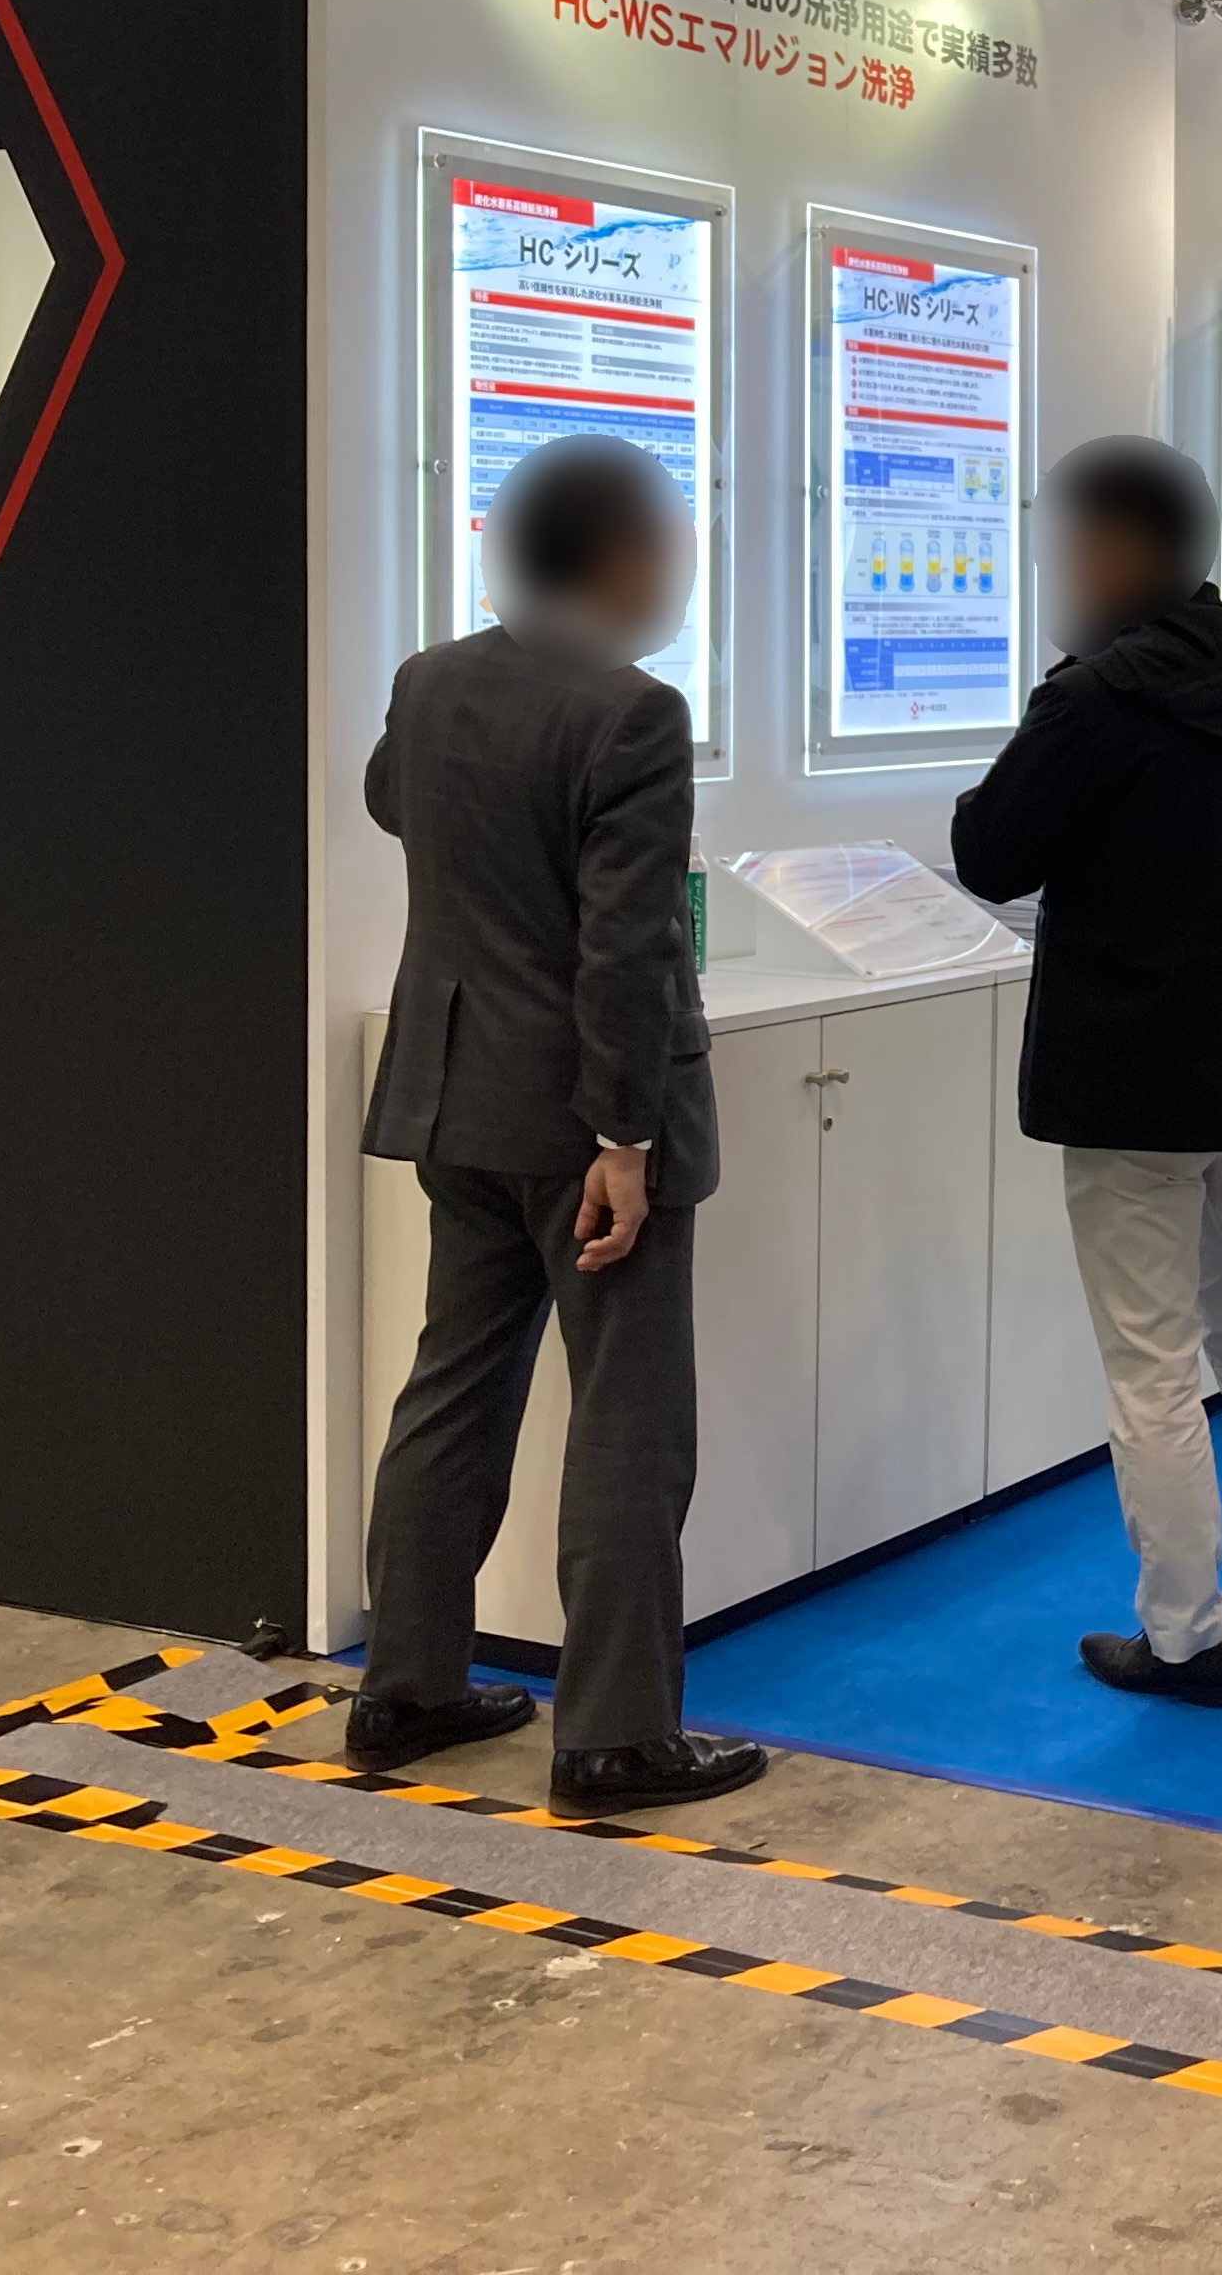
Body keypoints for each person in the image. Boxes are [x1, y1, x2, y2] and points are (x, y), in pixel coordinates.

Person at [351, 435, 761, 1816]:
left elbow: (390, 800)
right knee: (629, 1425)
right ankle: (616, 1736)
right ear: (623, 558)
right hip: (586, 1123)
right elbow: (625, 949)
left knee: (453, 1390)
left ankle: (405, 1687)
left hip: (454, 1095)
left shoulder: (432, 679)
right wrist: (624, 1140)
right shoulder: (632, 713)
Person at [951, 438, 1222, 1708]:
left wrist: (1054, 700)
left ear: (1118, 551)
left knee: (1150, 1364)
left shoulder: (1095, 704)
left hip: (1131, 1094)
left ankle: (1184, 1638)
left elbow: (989, 851)